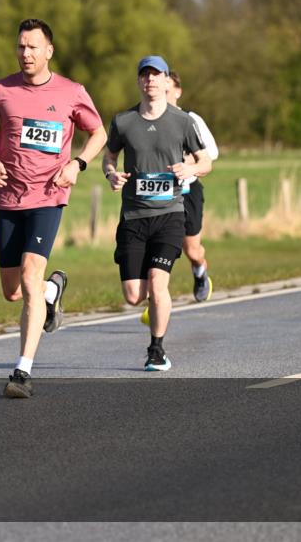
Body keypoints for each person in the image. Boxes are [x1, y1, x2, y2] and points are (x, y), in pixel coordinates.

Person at [0, 18, 107, 398]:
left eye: (32, 47)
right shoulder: (1, 90)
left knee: (29, 275)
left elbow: (99, 132)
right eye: (20, 47)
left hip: (49, 195)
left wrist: (77, 164)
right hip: (9, 197)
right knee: (13, 292)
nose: (25, 54)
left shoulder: (72, 92)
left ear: (49, 51)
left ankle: (22, 372)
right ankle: (51, 291)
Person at [102, 56, 211, 371]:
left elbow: (206, 162)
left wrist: (188, 167)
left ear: (167, 81)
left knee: (157, 281)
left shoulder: (182, 122)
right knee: (134, 295)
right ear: (138, 81)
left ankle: (157, 350)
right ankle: (152, 302)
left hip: (170, 214)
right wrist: (111, 174)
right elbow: (109, 157)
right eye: (144, 75)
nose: (150, 80)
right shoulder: (124, 122)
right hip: (133, 216)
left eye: (156, 75)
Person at [139, 70, 220, 324]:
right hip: (158, 192)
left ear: (177, 91)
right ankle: (153, 303)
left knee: (191, 248)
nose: (163, 91)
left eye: (168, 87)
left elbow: (212, 153)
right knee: (156, 246)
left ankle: (200, 271)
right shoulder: (146, 118)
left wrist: (186, 161)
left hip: (187, 190)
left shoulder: (190, 118)